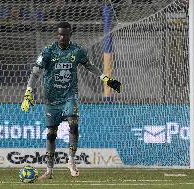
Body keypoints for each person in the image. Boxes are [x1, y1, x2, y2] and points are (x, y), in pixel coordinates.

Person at [21, 21, 121, 180]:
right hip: (51, 98)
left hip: (69, 95)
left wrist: (106, 79)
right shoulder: (48, 51)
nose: (62, 37)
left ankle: (71, 161)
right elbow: (35, 73)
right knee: (51, 134)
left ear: (70, 34)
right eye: (60, 34)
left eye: (65, 34)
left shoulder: (77, 51)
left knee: (73, 123)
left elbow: (90, 66)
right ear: (57, 34)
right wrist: (28, 92)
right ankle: (49, 171)